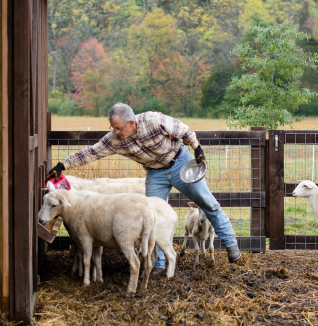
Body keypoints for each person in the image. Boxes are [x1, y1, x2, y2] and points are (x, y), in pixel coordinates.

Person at [46, 102, 241, 271]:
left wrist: (197, 148)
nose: (115, 132)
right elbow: (91, 152)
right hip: (155, 173)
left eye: (119, 128)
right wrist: (63, 165)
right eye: (113, 128)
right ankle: (158, 263)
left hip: (180, 163)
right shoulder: (115, 140)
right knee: (152, 214)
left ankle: (231, 245)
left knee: (207, 203)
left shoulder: (154, 121)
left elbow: (185, 131)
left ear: (131, 123)